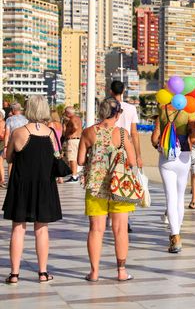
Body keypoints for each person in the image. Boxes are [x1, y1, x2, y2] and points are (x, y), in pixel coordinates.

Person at [2, 95, 62, 284]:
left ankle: (14, 274)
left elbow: (9, 157)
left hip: (21, 185)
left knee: (18, 229)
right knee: (41, 230)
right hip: (44, 185)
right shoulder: (51, 133)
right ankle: (43, 272)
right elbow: (56, 158)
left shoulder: (19, 132)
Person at [77, 98, 136, 281]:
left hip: (96, 187)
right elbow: (133, 162)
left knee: (96, 230)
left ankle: (94, 272)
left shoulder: (88, 132)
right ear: (117, 113)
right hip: (120, 187)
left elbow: (79, 161)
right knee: (120, 230)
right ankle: (121, 271)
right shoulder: (123, 134)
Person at [151, 100, 195, 253]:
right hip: (183, 157)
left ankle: (175, 236)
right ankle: (178, 229)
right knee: (180, 196)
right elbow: (193, 138)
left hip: (166, 157)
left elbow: (154, 139)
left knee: (170, 197)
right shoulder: (188, 113)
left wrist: (160, 144)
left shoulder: (162, 111)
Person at [110, 80, 142, 233]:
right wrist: (138, 155)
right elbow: (134, 133)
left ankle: (111, 215)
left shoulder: (106, 106)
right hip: (126, 148)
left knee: (109, 181)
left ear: (110, 91)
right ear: (123, 91)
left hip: (110, 148)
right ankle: (124, 219)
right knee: (125, 183)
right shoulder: (130, 108)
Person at [63, 106, 82, 183]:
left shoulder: (72, 119)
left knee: (72, 158)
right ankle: (75, 175)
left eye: (65, 113)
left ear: (68, 113)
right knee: (74, 157)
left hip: (73, 140)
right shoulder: (78, 118)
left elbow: (75, 126)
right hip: (77, 140)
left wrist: (70, 131)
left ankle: (74, 176)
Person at [0, 111, 6, 188]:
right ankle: (2, 179)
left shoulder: (3, 123)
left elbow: (2, 135)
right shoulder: (5, 122)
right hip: (3, 143)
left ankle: (2, 180)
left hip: (1, 143)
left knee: (0, 162)